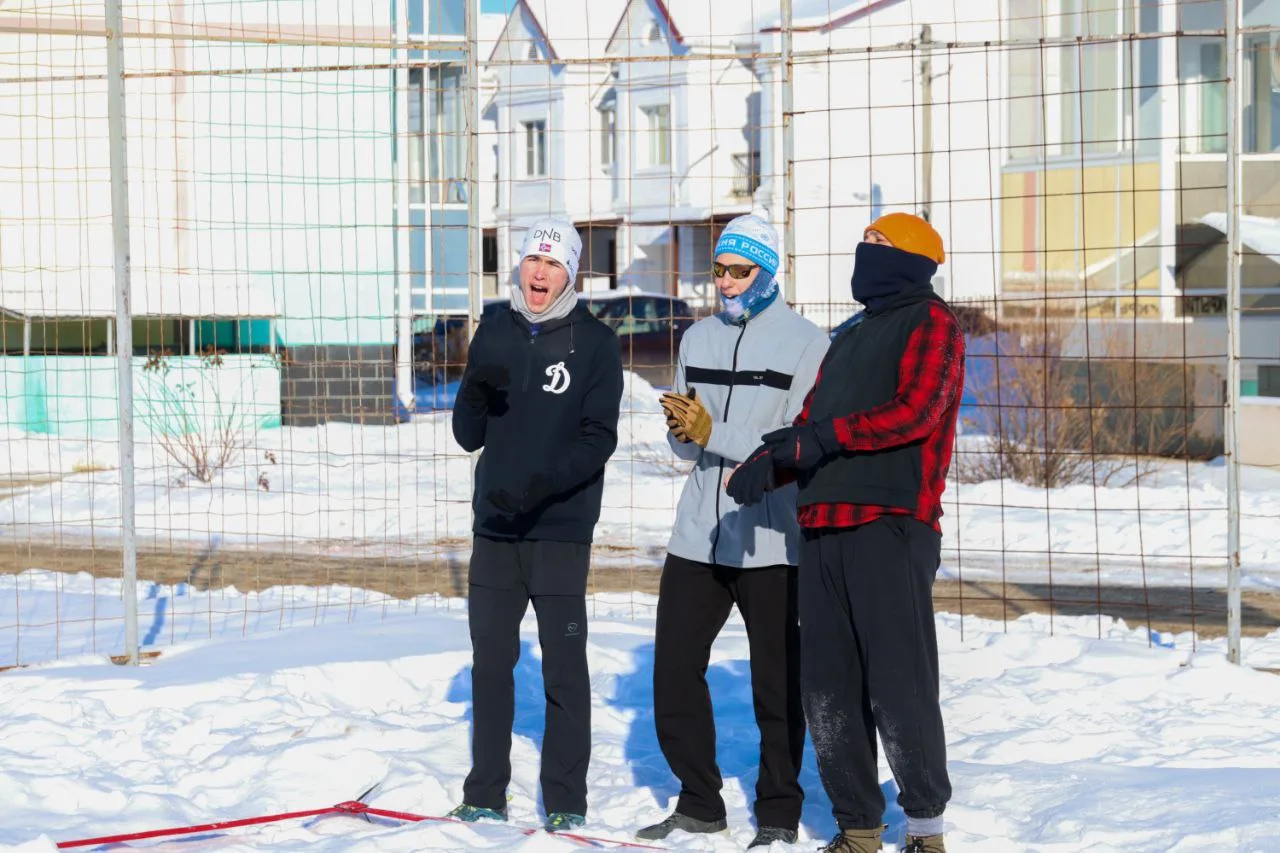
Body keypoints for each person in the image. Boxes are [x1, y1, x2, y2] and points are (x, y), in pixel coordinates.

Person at [726, 212, 965, 853]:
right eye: (864, 240)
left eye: (880, 242)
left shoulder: (931, 322)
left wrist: (823, 438)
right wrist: (772, 460)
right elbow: (813, 419)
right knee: (828, 688)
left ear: (914, 258)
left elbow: (917, 412)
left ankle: (925, 829)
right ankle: (858, 828)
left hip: (891, 522)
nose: (866, 249)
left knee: (898, 682)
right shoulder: (849, 333)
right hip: (823, 523)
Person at [636, 215, 829, 849]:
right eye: (718, 270)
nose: (724, 282)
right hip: (698, 532)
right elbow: (689, 450)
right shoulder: (698, 338)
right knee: (673, 671)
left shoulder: (808, 345)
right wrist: (682, 429)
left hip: (771, 538)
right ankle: (699, 802)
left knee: (777, 684)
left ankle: (778, 813)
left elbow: (793, 445)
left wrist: (712, 431)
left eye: (739, 272)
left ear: (768, 272)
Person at [449, 216, 624, 833]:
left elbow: (599, 439)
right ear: (519, 266)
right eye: (532, 260)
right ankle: (485, 793)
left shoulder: (596, 343)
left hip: (559, 529)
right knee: (491, 663)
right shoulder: (495, 330)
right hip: (496, 527)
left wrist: (543, 484)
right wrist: (474, 390)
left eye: (553, 263)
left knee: (563, 667)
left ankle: (566, 798)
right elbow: (468, 434)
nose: (540, 272)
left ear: (569, 272)